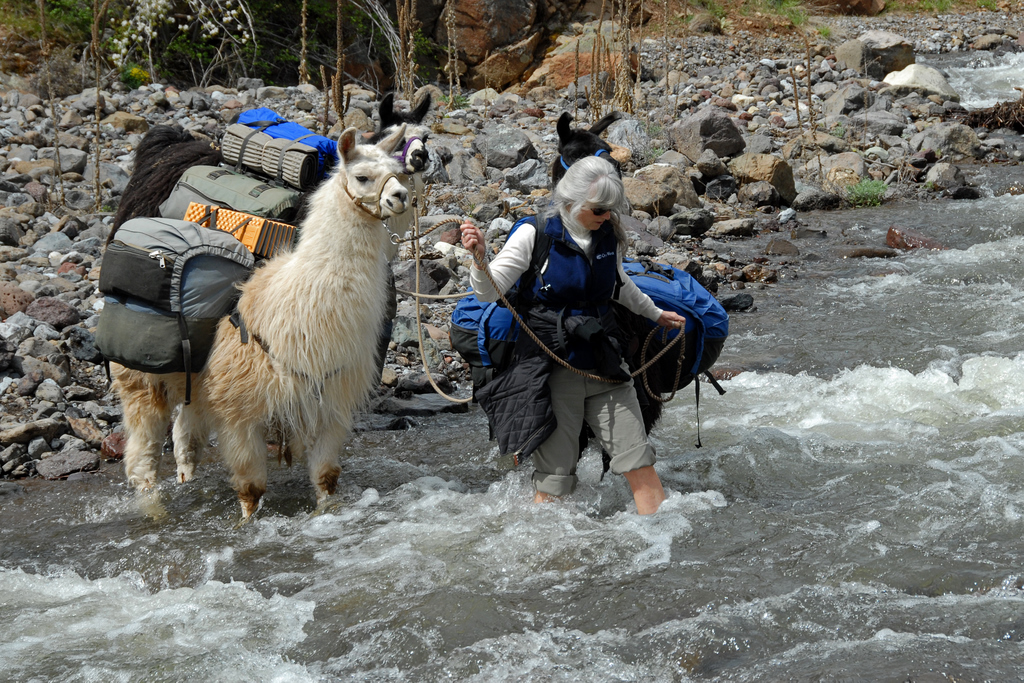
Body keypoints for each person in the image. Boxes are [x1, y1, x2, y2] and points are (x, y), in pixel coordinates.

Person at [459, 156, 686, 515]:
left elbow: (619, 285)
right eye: (599, 210)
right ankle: (543, 554)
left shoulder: (606, 234)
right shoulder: (533, 233)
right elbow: (490, 292)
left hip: (604, 364)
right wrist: (480, 260)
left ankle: (665, 547)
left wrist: (656, 314)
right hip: (551, 370)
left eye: (612, 210)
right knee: (555, 478)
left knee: (639, 460)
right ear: (570, 202)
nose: (606, 217)